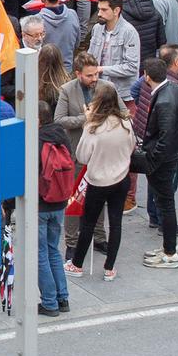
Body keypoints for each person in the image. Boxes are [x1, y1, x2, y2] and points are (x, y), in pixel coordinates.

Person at [65, 83, 134, 280]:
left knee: (88, 223)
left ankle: (77, 264)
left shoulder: (93, 128)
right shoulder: (126, 123)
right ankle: (110, 267)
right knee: (116, 224)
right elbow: (130, 148)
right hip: (121, 178)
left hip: (98, 181)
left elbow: (82, 156)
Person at [137, 59, 178, 270]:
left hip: (164, 160)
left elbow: (164, 137)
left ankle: (169, 252)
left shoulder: (164, 100)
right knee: (165, 204)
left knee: (165, 205)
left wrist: (152, 161)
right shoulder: (174, 90)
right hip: (173, 155)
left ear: (146, 75)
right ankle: (169, 246)